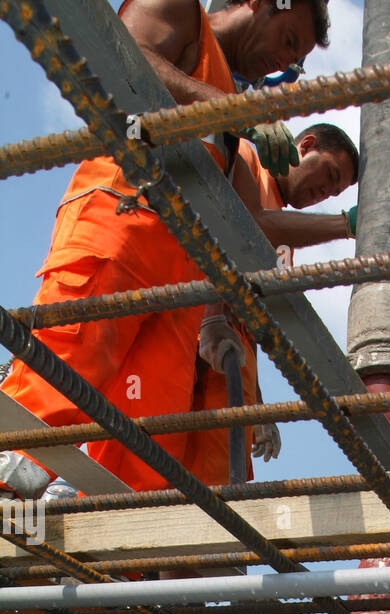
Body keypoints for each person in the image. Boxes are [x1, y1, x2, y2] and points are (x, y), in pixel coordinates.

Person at [0, 0, 330, 499]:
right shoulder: (182, 13)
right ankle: (7, 481)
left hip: (180, 284)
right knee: (65, 366)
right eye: (287, 40)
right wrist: (230, 111)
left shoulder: (230, 112)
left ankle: (115, 552)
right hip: (122, 219)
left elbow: (244, 219)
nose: (280, 63)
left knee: (149, 438)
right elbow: (120, 54)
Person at [183, 122, 358, 481]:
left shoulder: (287, 235)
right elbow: (233, 231)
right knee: (151, 454)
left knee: (215, 489)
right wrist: (344, 224)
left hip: (230, 356)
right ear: (306, 145)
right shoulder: (248, 160)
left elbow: (253, 319)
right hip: (191, 334)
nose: (324, 191)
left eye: (334, 192)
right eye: (329, 174)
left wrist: (257, 404)